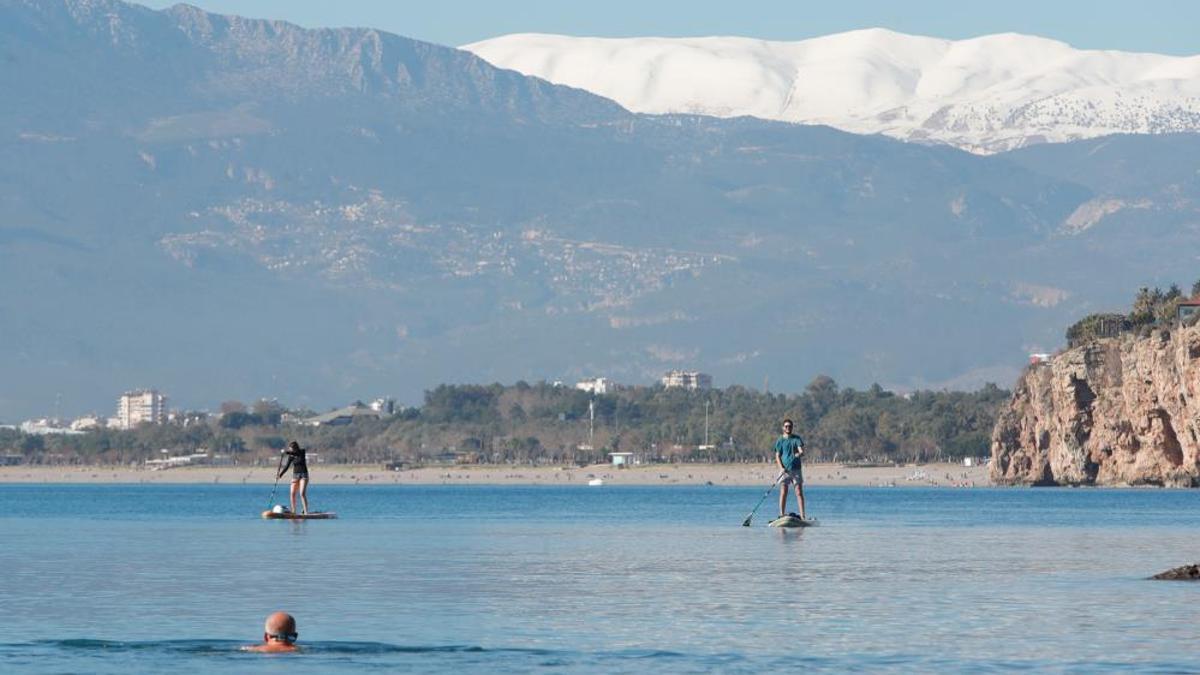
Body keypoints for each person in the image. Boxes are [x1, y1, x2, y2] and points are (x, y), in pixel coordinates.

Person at [774, 418, 806, 519]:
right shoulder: (780, 440)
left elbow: (801, 450)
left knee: (799, 492)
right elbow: (777, 456)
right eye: (786, 426)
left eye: (790, 426)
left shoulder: (796, 438)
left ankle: (802, 516)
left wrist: (799, 453)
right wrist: (781, 468)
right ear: (783, 428)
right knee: (783, 492)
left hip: (796, 469)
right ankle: (781, 514)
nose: (788, 428)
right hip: (785, 470)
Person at [278, 441, 310, 514]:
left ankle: (306, 511)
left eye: (291, 449)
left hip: (303, 475)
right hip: (295, 476)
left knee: (302, 493)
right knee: (292, 493)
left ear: (295, 448)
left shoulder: (302, 452)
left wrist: (286, 452)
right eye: (289, 449)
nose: (290, 450)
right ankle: (293, 511)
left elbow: (296, 453)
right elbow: (286, 466)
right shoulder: (291, 456)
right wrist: (280, 475)